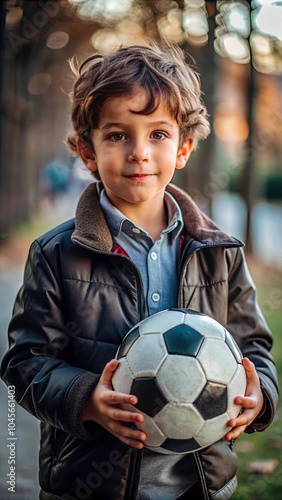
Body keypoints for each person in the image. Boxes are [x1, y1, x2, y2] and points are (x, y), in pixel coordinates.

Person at [1, 42, 278, 500]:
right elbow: (24, 362)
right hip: (89, 484)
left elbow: (254, 346)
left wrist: (259, 395)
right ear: (86, 152)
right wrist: (86, 399)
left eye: (157, 134)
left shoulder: (218, 251)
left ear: (184, 147)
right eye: (117, 135)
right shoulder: (55, 254)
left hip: (200, 485)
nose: (138, 153)